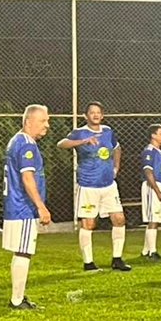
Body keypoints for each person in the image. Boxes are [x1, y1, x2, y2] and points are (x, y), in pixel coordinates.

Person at [57, 101, 130, 272]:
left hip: (108, 185)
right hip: (88, 185)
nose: (95, 115)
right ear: (86, 116)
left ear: (102, 115)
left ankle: (117, 259)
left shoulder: (108, 131)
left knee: (119, 219)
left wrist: (116, 168)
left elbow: (117, 148)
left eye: (98, 112)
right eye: (92, 112)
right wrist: (82, 141)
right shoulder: (80, 132)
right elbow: (61, 143)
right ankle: (88, 263)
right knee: (89, 223)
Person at [2, 104, 52, 310]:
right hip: (22, 207)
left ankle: (19, 297)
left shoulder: (16, 140)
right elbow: (27, 177)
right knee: (23, 252)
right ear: (28, 121)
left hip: (14, 205)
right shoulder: (26, 145)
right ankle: (16, 300)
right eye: (43, 120)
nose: (47, 125)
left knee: (21, 251)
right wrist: (41, 206)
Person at [140, 124, 161, 260]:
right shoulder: (149, 151)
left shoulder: (158, 151)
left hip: (158, 184)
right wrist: (157, 190)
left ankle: (146, 250)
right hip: (153, 185)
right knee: (153, 219)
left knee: (155, 218)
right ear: (153, 135)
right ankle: (152, 251)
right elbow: (148, 171)